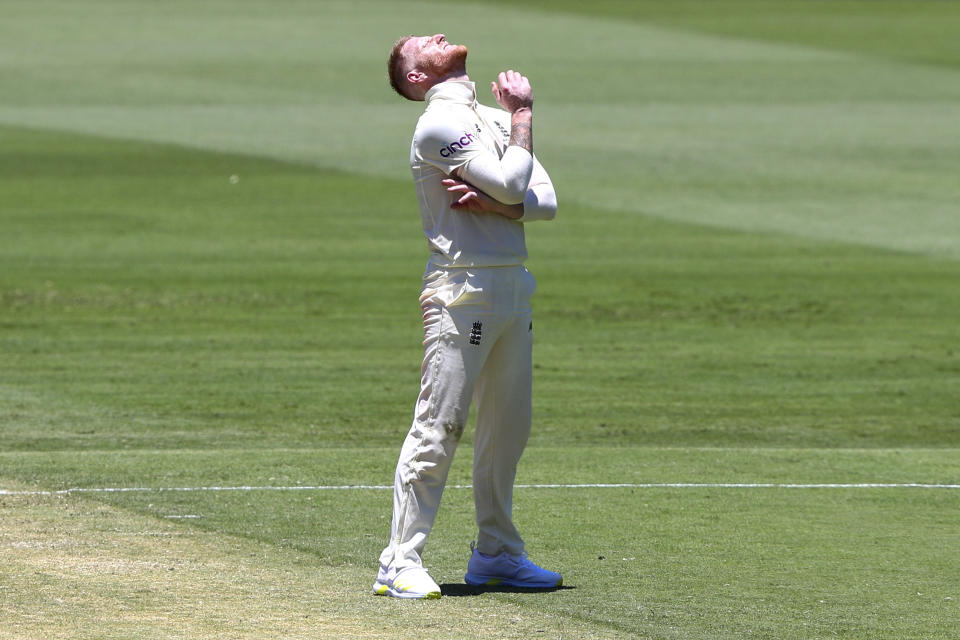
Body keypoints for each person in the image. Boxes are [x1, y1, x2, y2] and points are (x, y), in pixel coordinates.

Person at [373, 33, 561, 600]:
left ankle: (497, 553)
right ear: (415, 77)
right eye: (420, 44)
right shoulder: (440, 124)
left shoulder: (489, 116)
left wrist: (503, 203)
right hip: (461, 287)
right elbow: (513, 181)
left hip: (511, 284)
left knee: (508, 430)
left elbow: (544, 199)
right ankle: (399, 561)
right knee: (441, 424)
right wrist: (524, 116)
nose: (436, 35)